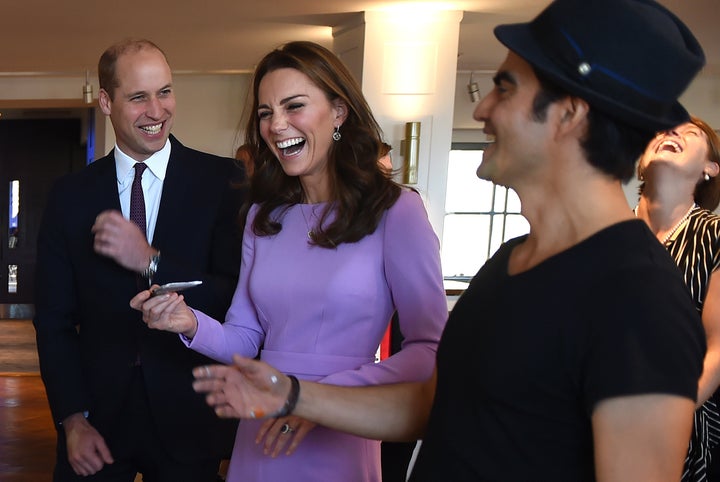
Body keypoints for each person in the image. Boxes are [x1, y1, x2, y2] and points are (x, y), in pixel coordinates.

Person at [188, 0, 710, 480]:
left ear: (569, 114)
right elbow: (434, 404)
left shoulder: (638, 297)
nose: (480, 111)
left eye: (504, 88)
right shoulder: (510, 265)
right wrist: (297, 395)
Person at [130, 40, 447, 482]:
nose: (277, 125)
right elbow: (246, 336)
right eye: (265, 112)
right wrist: (189, 323)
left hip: (341, 427)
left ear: (339, 112)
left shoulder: (397, 211)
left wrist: (314, 398)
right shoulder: (264, 214)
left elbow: (430, 350)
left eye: (293, 106)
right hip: (260, 427)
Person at [33, 39, 246, 481]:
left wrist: (152, 261)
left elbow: (234, 297)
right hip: (95, 420)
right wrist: (71, 418)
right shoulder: (69, 197)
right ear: (106, 101)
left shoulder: (225, 182)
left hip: (191, 416)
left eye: (165, 92)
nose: (157, 110)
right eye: (138, 97)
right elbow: (52, 321)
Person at [635, 116, 720, 482]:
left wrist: (669, 413)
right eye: (664, 128)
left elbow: (718, 347)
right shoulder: (604, 234)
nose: (671, 132)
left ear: (710, 169)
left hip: (682, 426)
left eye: (690, 132)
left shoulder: (715, 236)